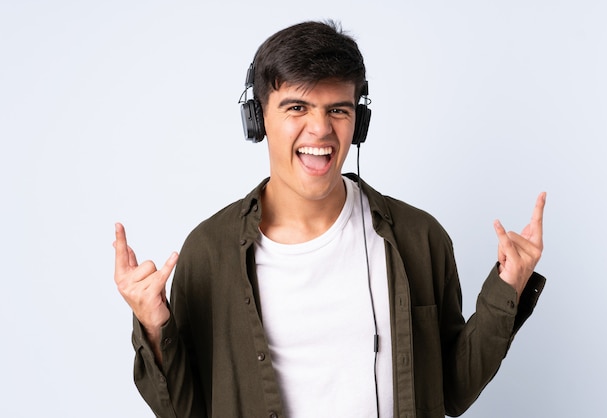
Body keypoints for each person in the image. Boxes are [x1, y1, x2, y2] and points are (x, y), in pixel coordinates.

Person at [114, 20, 546, 418]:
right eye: (297, 108)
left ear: (359, 122)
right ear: (259, 118)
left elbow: (451, 391)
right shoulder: (210, 251)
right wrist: (155, 328)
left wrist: (506, 289)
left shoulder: (419, 237)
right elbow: (186, 411)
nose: (320, 129)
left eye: (338, 109)